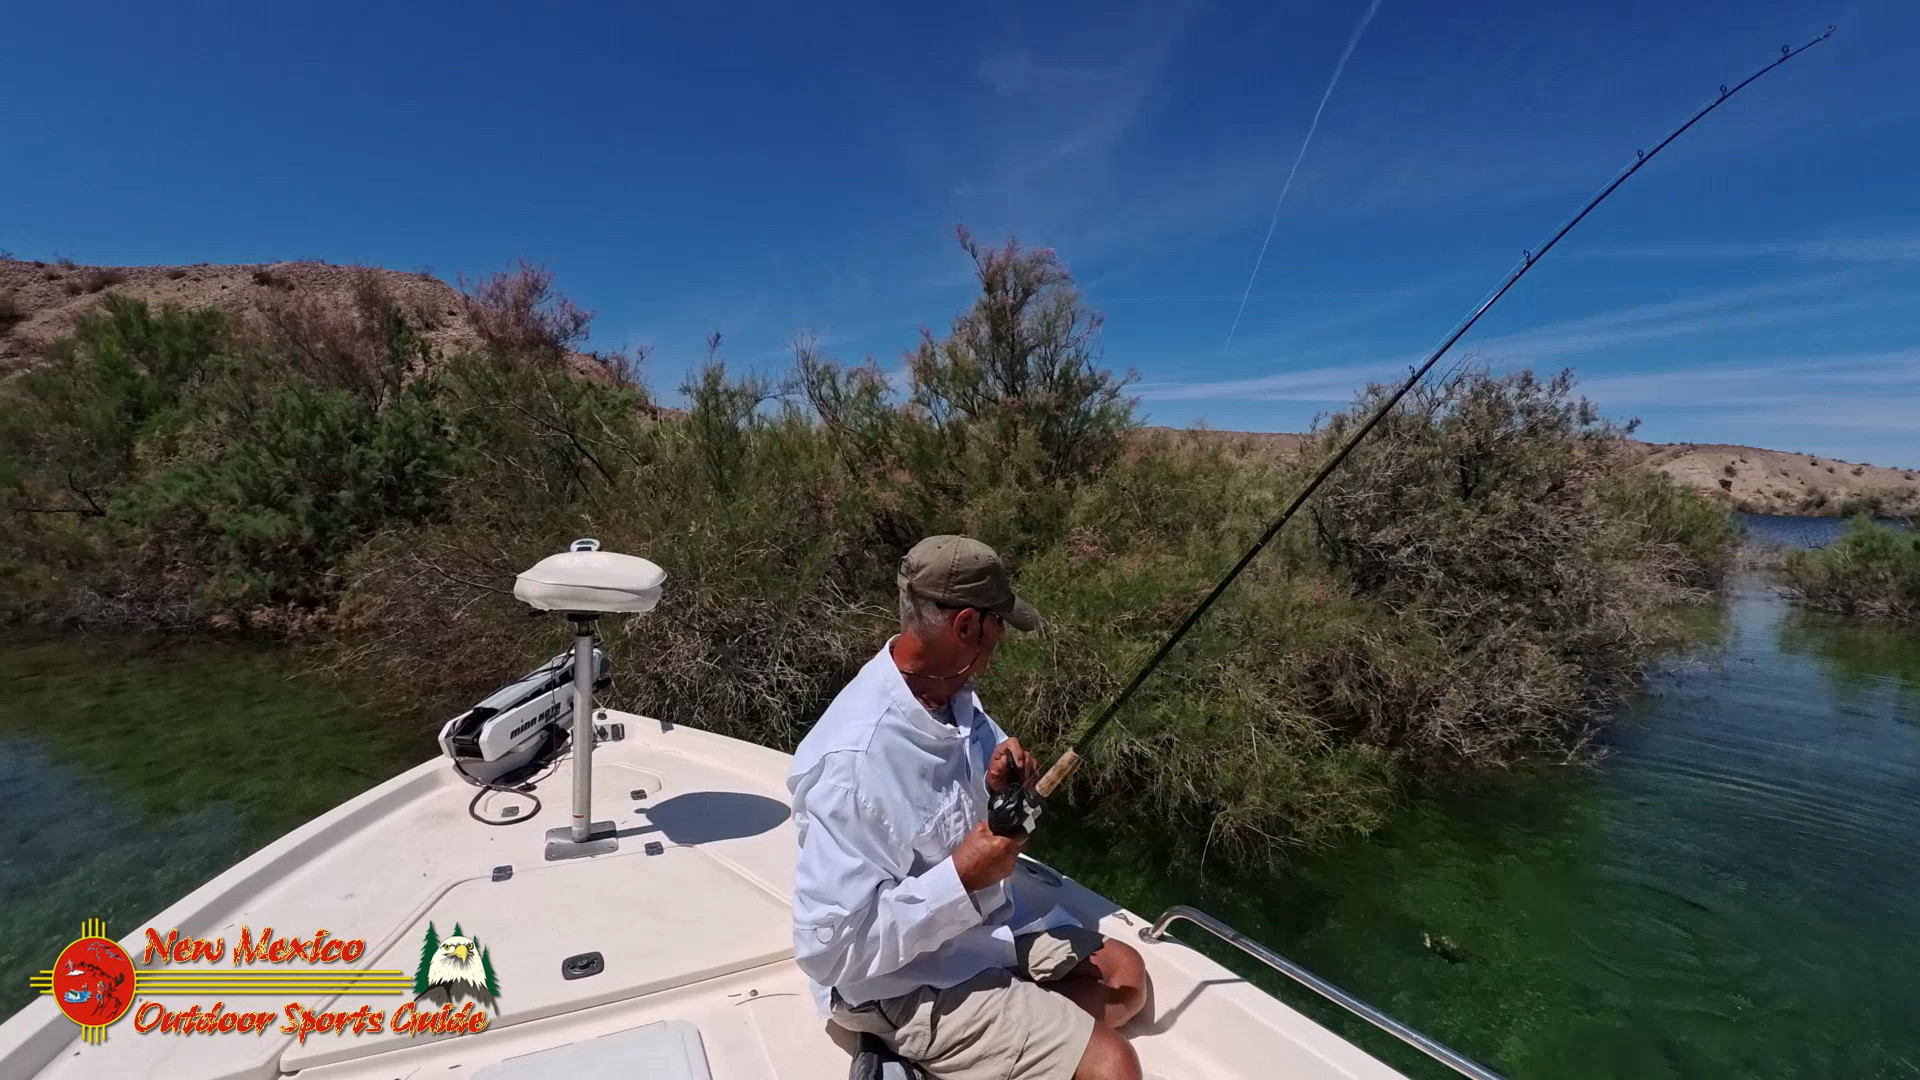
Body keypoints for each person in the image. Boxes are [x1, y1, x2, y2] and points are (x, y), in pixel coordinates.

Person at [789, 535, 1148, 1080]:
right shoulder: (852, 766)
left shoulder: (949, 691)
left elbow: (979, 802)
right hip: (897, 981)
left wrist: (1001, 784)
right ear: (965, 626)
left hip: (977, 934)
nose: (1001, 638)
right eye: (997, 624)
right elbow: (829, 954)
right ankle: (911, 1051)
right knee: (1113, 1065)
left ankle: (998, 1045)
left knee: (1126, 978)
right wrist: (960, 878)